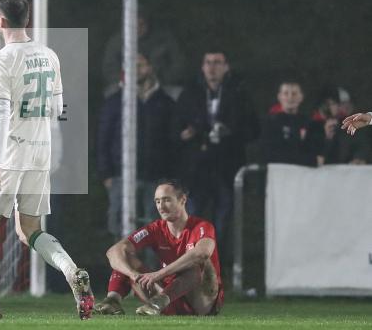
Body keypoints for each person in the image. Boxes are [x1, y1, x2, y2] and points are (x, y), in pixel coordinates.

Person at [0, 0, 94, 320]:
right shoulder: (49, 55)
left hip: (9, 152)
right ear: (27, 20)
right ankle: (71, 270)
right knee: (29, 229)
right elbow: (57, 107)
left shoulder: (0, 60)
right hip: (40, 152)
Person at [172, 50, 257, 264]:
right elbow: (174, 127)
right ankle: (190, 269)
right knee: (192, 223)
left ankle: (217, 270)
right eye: (208, 62)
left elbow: (253, 129)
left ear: (226, 67)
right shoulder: (190, 93)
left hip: (226, 168)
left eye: (217, 62)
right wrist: (185, 134)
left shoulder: (239, 93)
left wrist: (231, 132)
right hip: (196, 171)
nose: (212, 67)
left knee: (222, 224)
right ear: (202, 67)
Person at [94, 180, 224, 316]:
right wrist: (133, 274)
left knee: (195, 264)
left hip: (201, 302)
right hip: (166, 297)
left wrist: (159, 274)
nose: (161, 206)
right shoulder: (155, 229)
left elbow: (202, 253)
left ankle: (159, 302)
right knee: (123, 258)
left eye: (166, 200)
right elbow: (113, 251)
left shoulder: (202, 226)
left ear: (183, 200)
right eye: (157, 201)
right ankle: (112, 301)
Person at [97, 53, 176, 238]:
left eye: (140, 65)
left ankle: (151, 259)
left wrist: (170, 175)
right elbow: (103, 138)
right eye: (130, 65)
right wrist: (106, 174)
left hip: (155, 176)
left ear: (150, 67)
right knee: (119, 229)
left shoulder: (165, 103)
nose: (135, 70)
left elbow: (172, 141)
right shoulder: (114, 102)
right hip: (120, 176)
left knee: (155, 230)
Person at [260, 80, 324, 167]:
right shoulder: (269, 123)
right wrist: (310, 160)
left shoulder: (309, 123)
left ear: (301, 97)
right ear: (279, 97)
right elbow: (271, 155)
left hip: (304, 173)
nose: (290, 98)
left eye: (294, 94)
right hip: (279, 172)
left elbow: (317, 154)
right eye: (286, 93)